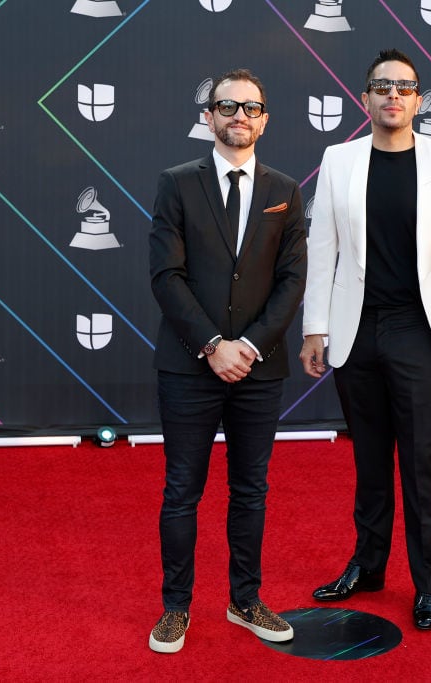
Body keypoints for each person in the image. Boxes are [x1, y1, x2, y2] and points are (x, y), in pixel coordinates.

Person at [299, 48, 431, 631]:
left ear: (419, 99)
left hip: (420, 332)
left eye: (404, 88)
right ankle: (369, 566)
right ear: (365, 98)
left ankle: (428, 584)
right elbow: (322, 247)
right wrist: (315, 327)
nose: (393, 96)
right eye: (382, 87)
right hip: (357, 330)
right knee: (369, 458)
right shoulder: (339, 159)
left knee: (422, 461)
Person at [148, 67, 306, 653]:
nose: (240, 115)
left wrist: (251, 347)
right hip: (189, 364)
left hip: (260, 368)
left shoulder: (286, 191)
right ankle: (175, 608)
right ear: (208, 116)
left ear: (265, 119)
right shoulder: (176, 183)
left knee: (251, 489)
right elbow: (167, 275)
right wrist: (214, 346)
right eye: (227, 106)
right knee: (182, 490)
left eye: (251, 107)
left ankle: (245, 600)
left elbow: (292, 281)